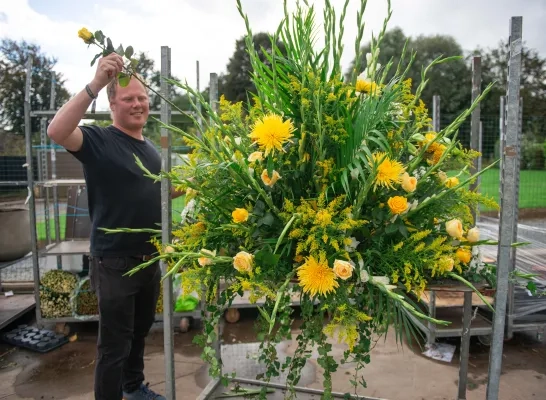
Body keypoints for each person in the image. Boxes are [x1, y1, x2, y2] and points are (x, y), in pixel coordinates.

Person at [47, 52, 182, 400]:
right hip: (115, 262)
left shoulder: (150, 148)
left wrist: (188, 185)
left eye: (142, 97)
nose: (138, 104)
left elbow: (156, 189)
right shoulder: (99, 141)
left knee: (139, 334)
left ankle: (134, 388)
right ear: (112, 104)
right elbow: (57, 130)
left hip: (149, 258)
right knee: (113, 347)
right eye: (128, 99)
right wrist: (95, 84)